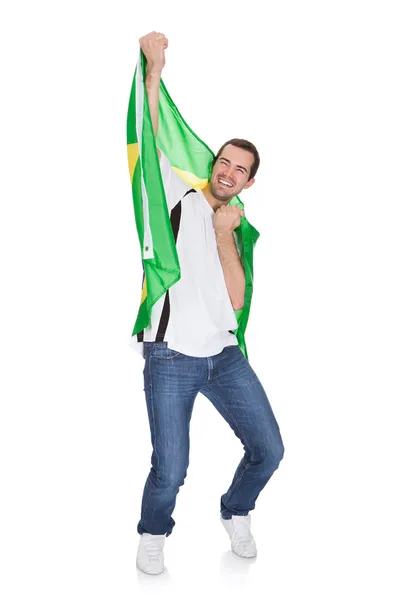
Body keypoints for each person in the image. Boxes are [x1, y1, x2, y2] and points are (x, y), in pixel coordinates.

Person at [134, 31, 284, 575]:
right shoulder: (179, 196)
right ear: (213, 164)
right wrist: (155, 71)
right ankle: (153, 533)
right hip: (171, 355)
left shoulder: (239, 229)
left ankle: (236, 510)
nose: (227, 171)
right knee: (171, 469)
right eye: (223, 161)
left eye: (239, 169)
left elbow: (238, 300)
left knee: (269, 449)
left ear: (249, 181)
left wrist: (226, 234)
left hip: (224, 358)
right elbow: (150, 139)